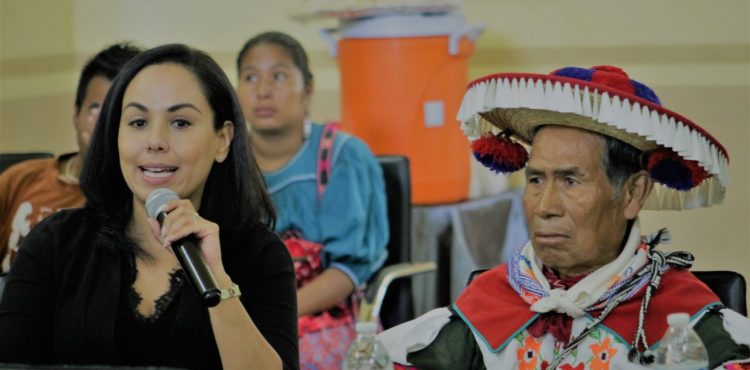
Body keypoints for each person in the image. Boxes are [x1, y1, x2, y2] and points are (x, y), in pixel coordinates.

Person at [378, 66, 750, 369]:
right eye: (536, 179)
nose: (545, 206)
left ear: (633, 193)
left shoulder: (689, 320)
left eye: (571, 181)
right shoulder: (488, 305)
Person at [0, 44, 298, 369]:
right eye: (138, 122)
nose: (155, 141)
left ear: (223, 140)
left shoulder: (262, 255)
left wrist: (217, 279)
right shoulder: (54, 243)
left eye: (181, 122)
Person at [236, 31, 389, 368]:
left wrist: (273, 312)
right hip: (243, 311)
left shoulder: (341, 156)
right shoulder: (224, 160)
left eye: (278, 76)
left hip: (324, 317)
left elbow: (349, 269)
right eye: (250, 77)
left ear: (307, 88)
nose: (263, 90)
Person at [0, 42, 142, 273]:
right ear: (76, 113)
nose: (106, 125)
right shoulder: (20, 179)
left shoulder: (140, 202)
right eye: (97, 110)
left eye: (121, 113)